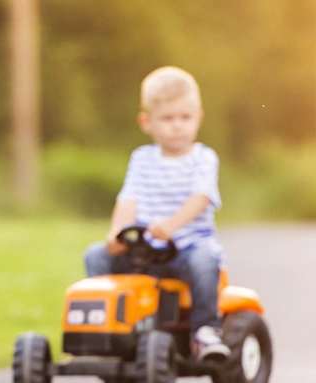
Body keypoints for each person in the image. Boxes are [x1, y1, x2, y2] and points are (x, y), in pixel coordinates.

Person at [83, 66, 230, 361]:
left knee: (206, 259)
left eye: (185, 118)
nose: (177, 126)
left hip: (186, 249)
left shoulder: (202, 158)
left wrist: (172, 226)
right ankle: (107, 330)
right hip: (145, 251)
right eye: (167, 118)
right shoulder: (142, 159)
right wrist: (116, 233)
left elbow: (201, 198)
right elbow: (128, 199)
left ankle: (205, 331)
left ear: (198, 118)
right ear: (146, 122)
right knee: (96, 256)